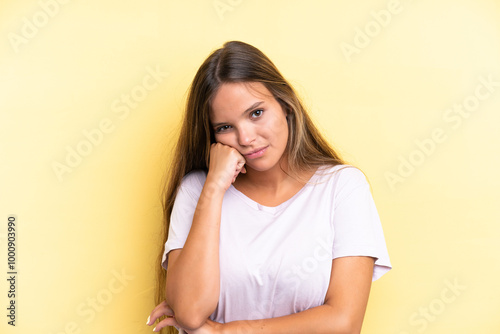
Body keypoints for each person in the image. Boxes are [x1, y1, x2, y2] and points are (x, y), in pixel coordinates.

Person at [146, 40, 392, 334]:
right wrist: (213, 187)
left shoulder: (342, 187)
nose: (246, 137)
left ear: (285, 104)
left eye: (256, 113)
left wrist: (225, 331)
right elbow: (189, 311)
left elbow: (344, 322)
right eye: (225, 127)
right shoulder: (198, 189)